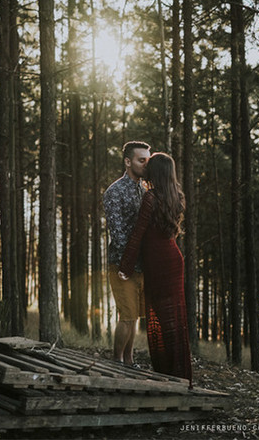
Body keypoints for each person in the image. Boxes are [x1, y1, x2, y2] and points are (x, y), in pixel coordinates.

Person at [118, 152, 192, 383]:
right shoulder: (175, 196)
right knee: (174, 320)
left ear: (156, 172)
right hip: (172, 261)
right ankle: (176, 374)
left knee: (160, 318)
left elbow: (138, 234)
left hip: (159, 265)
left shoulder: (150, 198)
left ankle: (169, 375)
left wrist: (125, 266)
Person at [102, 140, 150, 366]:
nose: (145, 164)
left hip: (143, 265)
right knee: (127, 315)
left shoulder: (144, 191)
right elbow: (118, 234)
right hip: (121, 265)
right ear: (128, 161)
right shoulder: (115, 192)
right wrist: (129, 263)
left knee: (135, 318)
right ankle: (116, 361)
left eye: (148, 160)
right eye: (142, 160)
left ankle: (129, 361)